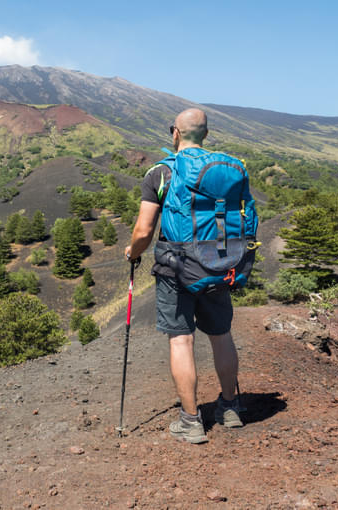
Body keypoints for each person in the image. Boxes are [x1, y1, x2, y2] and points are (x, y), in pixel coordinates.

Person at [124, 108, 242, 444]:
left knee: (181, 339)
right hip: (218, 262)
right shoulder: (223, 169)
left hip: (176, 266)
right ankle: (230, 408)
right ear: (206, 134)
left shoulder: (161, 172)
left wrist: (133, 252)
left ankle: (191, 422)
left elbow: (144, 229)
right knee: (221, 335)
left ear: (175, 133)